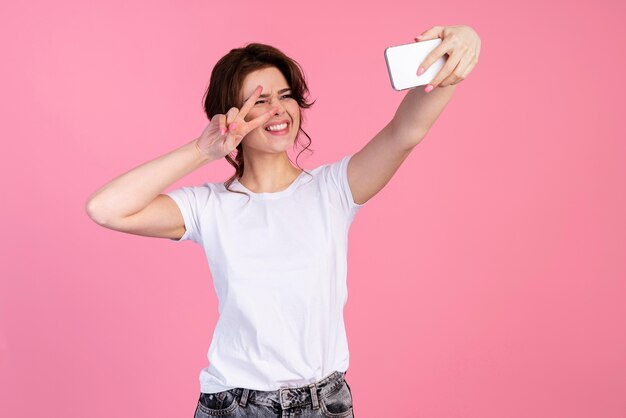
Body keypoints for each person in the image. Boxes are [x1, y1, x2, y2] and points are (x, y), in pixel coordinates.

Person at [85, 32, 471, 416]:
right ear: (230, 115)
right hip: (235, 405)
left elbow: (406, 132)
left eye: (285, 96)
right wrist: (203, 150)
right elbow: (106, 208)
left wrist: (458, 53)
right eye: (259, 101)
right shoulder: (208, 206)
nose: (278, 109)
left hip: (324, 404)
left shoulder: (333, 189)